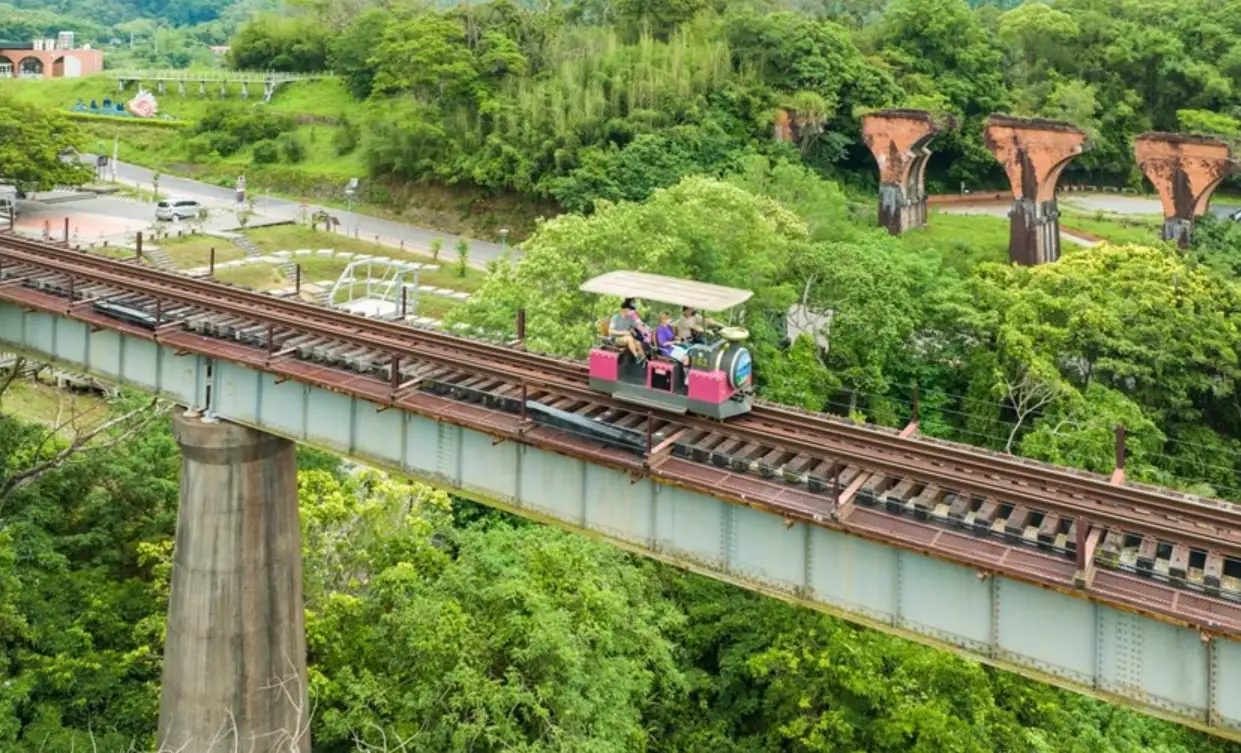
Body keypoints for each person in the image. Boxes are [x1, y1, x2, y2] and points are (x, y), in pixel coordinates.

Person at [608, 298, 648, 362]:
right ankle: (637, 357)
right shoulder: (615, 318)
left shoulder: (629, 318)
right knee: (629, 338)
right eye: (631, 310)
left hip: (626, 338)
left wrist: (646, 330)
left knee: (638, 343)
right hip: (616, 339)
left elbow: (637, 326)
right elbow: (610, 331)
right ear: (626, 309)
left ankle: (645, 360)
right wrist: (623, 333)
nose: (632, 312)